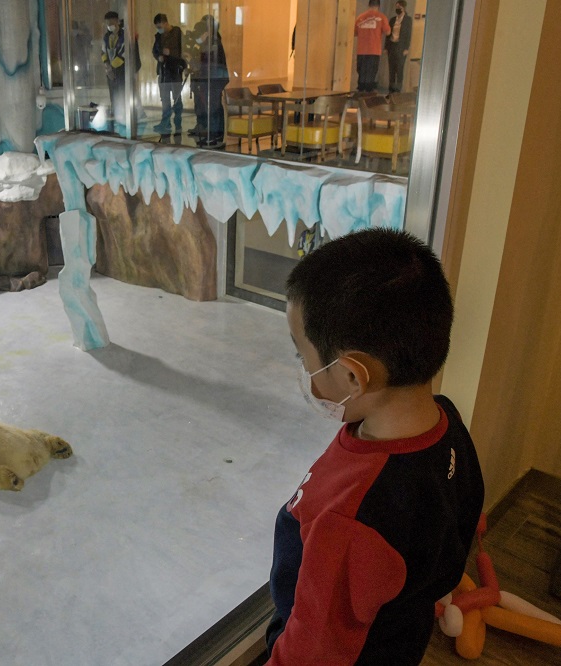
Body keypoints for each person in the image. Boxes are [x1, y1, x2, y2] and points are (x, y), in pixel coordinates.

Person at [265, 228, 485, 665]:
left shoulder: (350, 520)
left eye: (302, 356)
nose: (304, 369)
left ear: (352, 376)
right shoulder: (447, 423)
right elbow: (462, 519)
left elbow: (312, 652)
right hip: (401, 637)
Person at [193, 15, 228, 148]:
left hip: (214, 77)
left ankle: (212, 136)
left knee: (213, 107)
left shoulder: (212, 41)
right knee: (216, 106)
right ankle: (217, 135)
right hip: (217, 77)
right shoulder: (214, 39)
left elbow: (208, 61)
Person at [152, 13, 185, 135]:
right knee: (165, 99)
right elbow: (154, 50)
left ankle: (178, 123)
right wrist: (159, 56)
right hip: (163, 71)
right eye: (157, 27)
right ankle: (165, 123)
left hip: (174, 71)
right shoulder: (158, 36)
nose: (159, 29)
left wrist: (170, 53)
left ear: (166, 23)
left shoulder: (177, 33)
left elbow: (183, 50)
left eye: (160, 26)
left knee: (177, 99)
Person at [354, 0, 390, 93]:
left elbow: (355, 33)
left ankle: (360, 91)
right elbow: (388, 31)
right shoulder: (381, 17)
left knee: (361, 72)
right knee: (371, 73)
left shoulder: (360, 17)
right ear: (378, 6)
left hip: (361, 51)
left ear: (368, 5)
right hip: (374, 50)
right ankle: (368, 94)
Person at [386, 1, 413, 93]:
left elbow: (408, 34)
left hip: (401, 47)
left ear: (403, 7)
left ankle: (398, 89)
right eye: (396, 6)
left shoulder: (408, 20)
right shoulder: (392, 20)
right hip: (392, 45)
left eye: (399, 7)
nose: (397, 8)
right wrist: (386, 47)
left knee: (400, 68)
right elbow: (388, 34)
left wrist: (406, 48)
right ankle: (391, 88)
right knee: (391, 68)